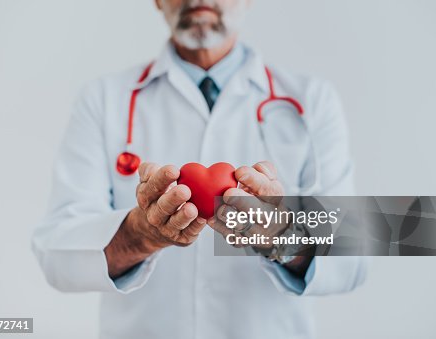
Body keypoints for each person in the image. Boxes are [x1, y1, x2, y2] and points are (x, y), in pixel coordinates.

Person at [32, 1, 367, 338]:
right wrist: (139, 234)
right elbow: (56, 257)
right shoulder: (103, 99)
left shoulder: (314, 100)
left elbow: (351, 259)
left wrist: (281, 236)